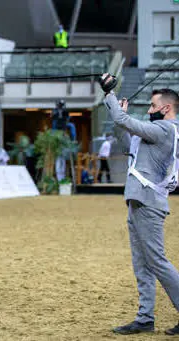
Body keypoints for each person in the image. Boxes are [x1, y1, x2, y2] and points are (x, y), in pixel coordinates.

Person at [99, 72, 179, 335]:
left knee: (156, 261)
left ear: (166, 108)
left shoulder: (165, 129)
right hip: (139, 201)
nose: (149, 110)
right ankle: (145, 317)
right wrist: (118, 117)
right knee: (142, 263)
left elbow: (123, 119)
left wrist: (109, 94)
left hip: (148, 202)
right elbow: (126, 144)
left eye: (153, 106)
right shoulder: (156, 133)